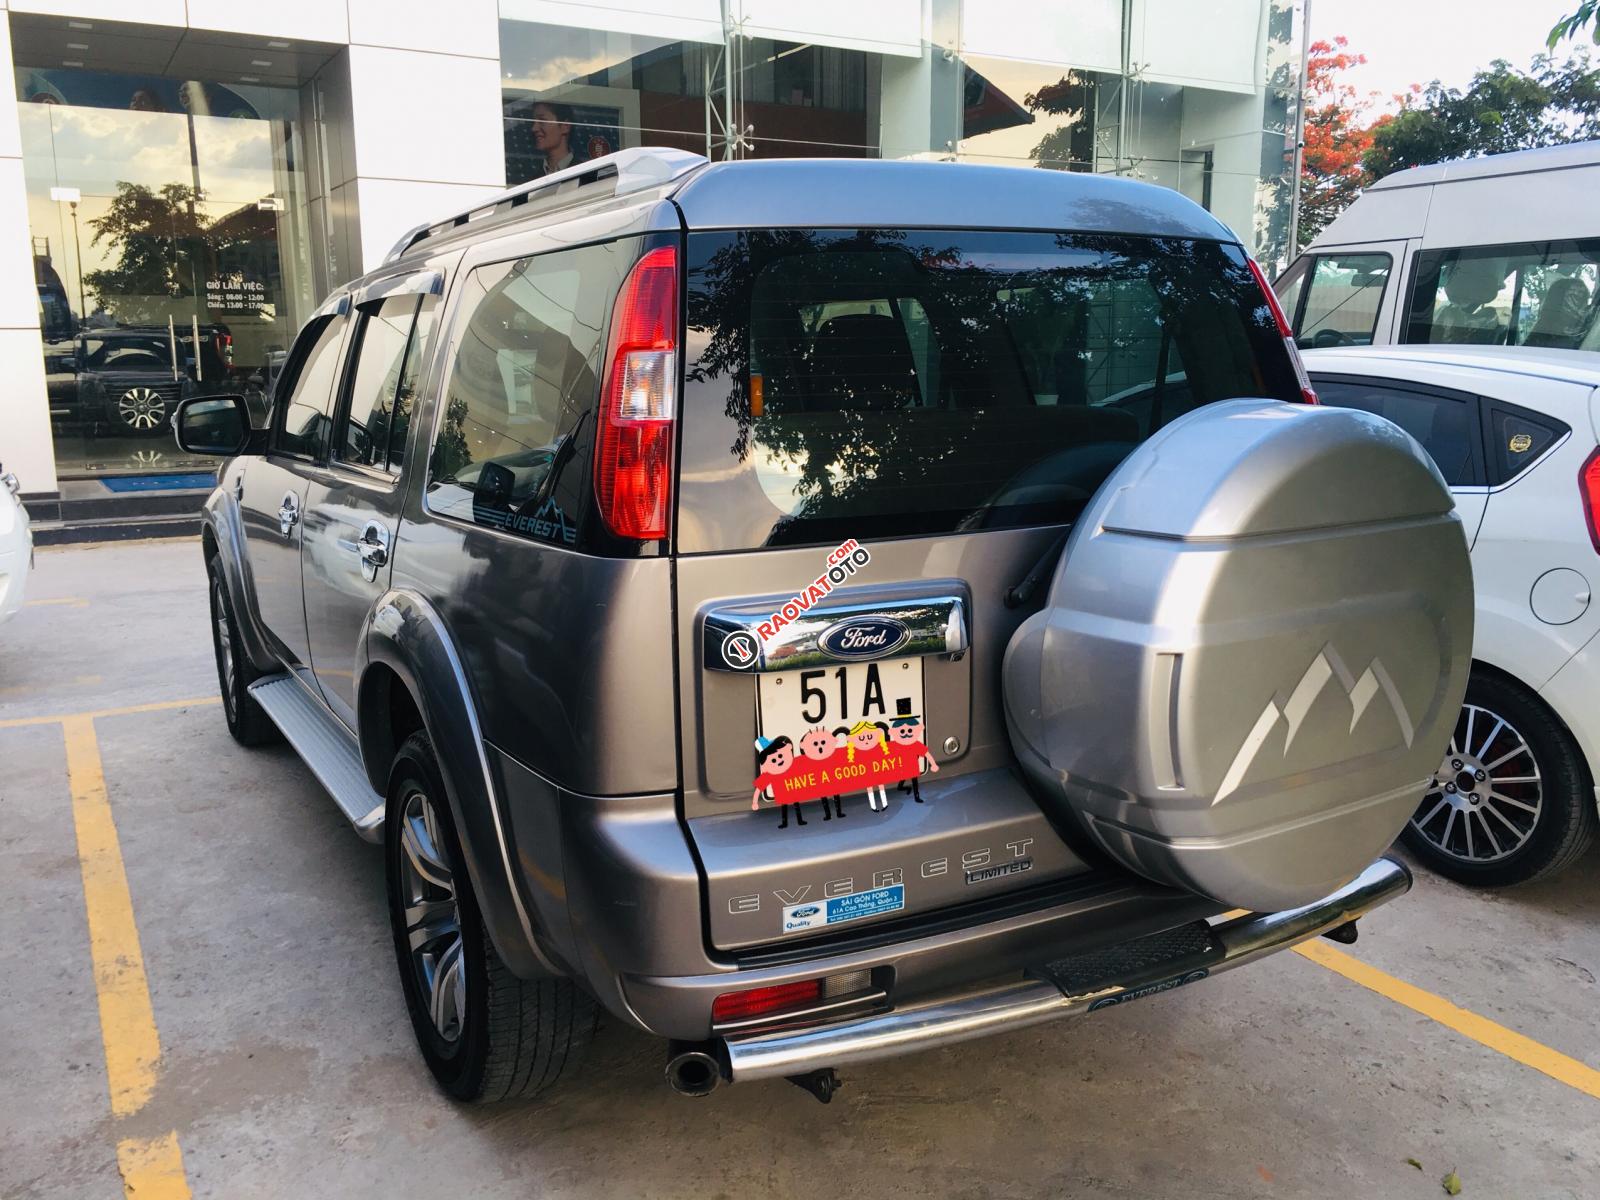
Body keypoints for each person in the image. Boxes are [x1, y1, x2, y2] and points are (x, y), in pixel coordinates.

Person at [1524, 276, 1593, 349]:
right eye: (1572, 295)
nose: (1578, 297)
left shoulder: (1588, 324)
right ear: (1557, 299)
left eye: (1582, 294)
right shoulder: (1544, 327)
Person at [531, 101, 584, 176]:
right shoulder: (532, 180)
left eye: (542, 120)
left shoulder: (585, 173)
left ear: (565, 126)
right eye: (533, 122)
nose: (534, 128)